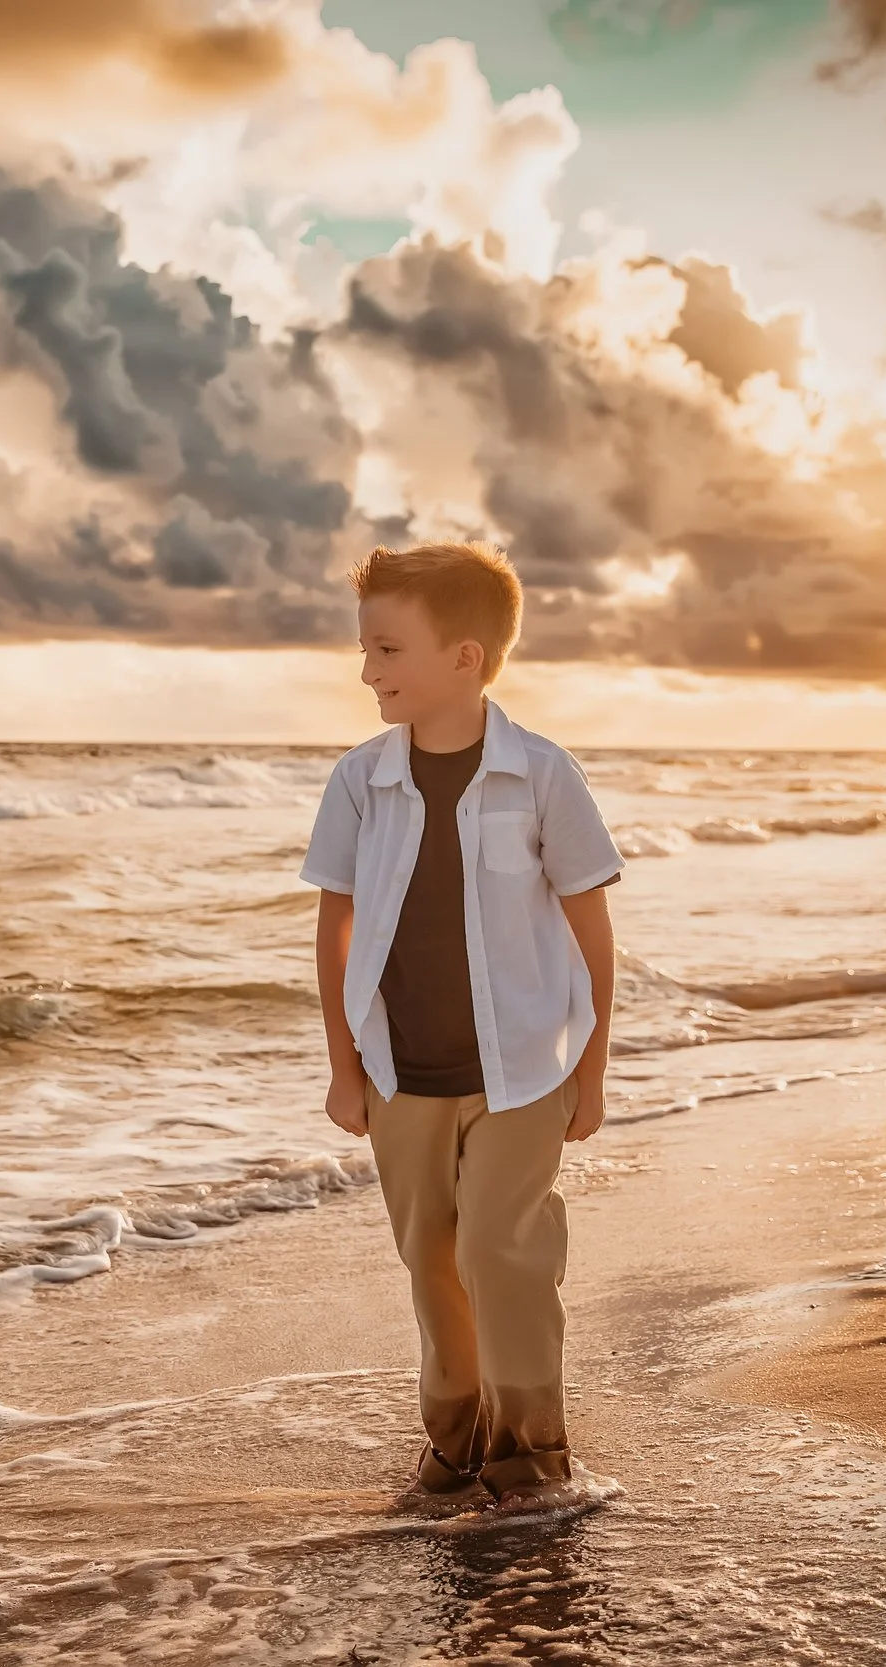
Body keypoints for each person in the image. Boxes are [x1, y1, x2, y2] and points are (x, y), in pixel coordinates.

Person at [299, 541, 623, 1509]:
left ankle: (531, 1452)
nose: (368, 670)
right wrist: (343, 1065)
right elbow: (334, 923)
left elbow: (591, 927)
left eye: (387, 649)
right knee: (430, 1257)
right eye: (365, 649)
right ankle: (452, 1444)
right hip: (402, 1072)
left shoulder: (542, 776)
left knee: (498, 1246)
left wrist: (593, 1068)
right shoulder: (360, 781)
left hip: (522, 1067)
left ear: (464, 658)